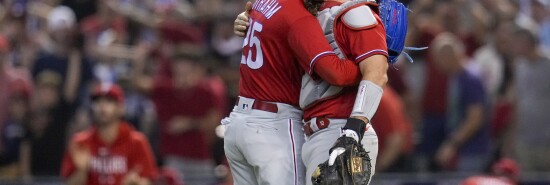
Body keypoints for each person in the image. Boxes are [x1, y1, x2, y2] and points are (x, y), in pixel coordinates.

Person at [233, 0, 391, 183]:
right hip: (312, 132)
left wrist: (354, 130)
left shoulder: (357, 13)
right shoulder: (312, 10)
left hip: (340, 130)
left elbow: (377, 74)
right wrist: (251, 19)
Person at [61, 83, 158, 185]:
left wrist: (136, 183)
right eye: (98, 101)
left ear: (121, 108)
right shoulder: (80, 142)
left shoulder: (137, 142)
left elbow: (148, 180)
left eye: (109, 101)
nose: (102, 106)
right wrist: (81, 171)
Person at [424, 33, 489, 172]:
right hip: (463, 151)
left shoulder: (471, 78)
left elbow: (475, 118)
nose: (435, 63)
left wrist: (451, 145)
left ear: (447, 56)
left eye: (437, 58)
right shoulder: (457, 75)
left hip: (472, 152)